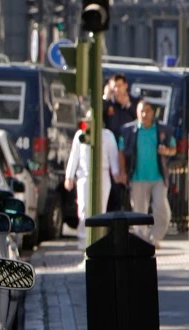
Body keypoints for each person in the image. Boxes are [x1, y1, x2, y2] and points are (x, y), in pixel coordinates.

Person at [118, 101, 176, 248]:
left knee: (161, 208)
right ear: (137, 112)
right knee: (139, 210)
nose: (144, 114)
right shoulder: (128, 130)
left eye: (147, 111)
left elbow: (174, 148)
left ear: (153, 112)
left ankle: (154, 237)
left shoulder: (163, 130)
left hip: (158, 177)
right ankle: (140, 239)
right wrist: (122, 171)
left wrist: (166, 151)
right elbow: (122, 152)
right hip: (137, 177)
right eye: (141, 111)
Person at [64, 110, 122, 248]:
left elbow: (113, 156)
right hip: (84, 176)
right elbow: (74, 156)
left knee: (100, 209)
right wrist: (69, 176)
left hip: (103, 176)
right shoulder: (80, 135)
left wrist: (116, 173)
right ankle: (84, 240)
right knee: (83, 209)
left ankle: (98, 240)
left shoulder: (107, 135)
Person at [103, 74, 138, 211]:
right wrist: (105, 98)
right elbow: (96, 116)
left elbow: (142, 117)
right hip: (112, 151)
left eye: (119, 86)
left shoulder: (134, 102)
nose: (116, 90)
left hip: (130, 151)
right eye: (114, 87)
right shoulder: (108, 104)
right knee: (114, 188)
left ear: (126, 86)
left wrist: (127, 105)